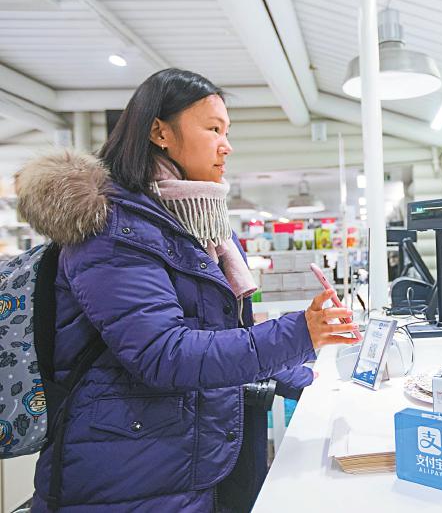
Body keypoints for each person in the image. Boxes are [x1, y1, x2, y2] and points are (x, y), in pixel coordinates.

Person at [15, 68, 358, 511]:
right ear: (160, 132)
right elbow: (163, 354)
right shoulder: (113, 231)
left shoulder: (200, 227)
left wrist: (307, 378)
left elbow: (219, 337)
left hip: (179, 463)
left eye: (227, 131)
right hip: (127, 478)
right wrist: (298, 334)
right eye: (213, 129)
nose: (226, 145)